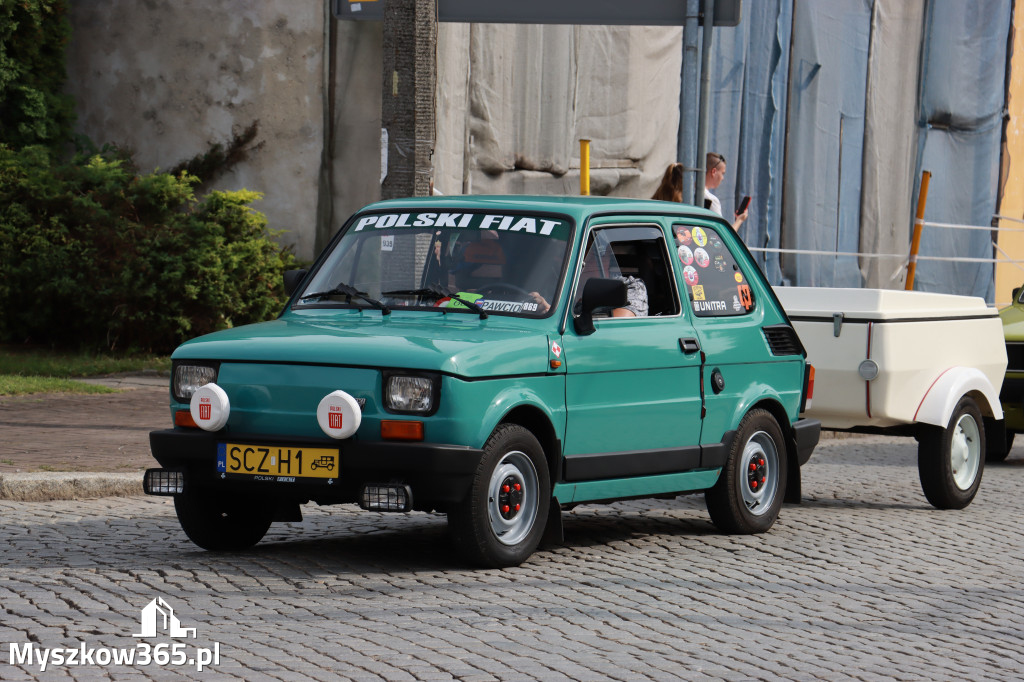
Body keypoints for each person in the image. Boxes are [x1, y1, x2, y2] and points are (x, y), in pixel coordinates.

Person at [704, 152, 748, 231]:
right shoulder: (711, 200)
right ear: (714, 172)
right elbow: (723, 235)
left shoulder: (689, 192)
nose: (722, 178)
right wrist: (740, 220)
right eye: (722, 173)